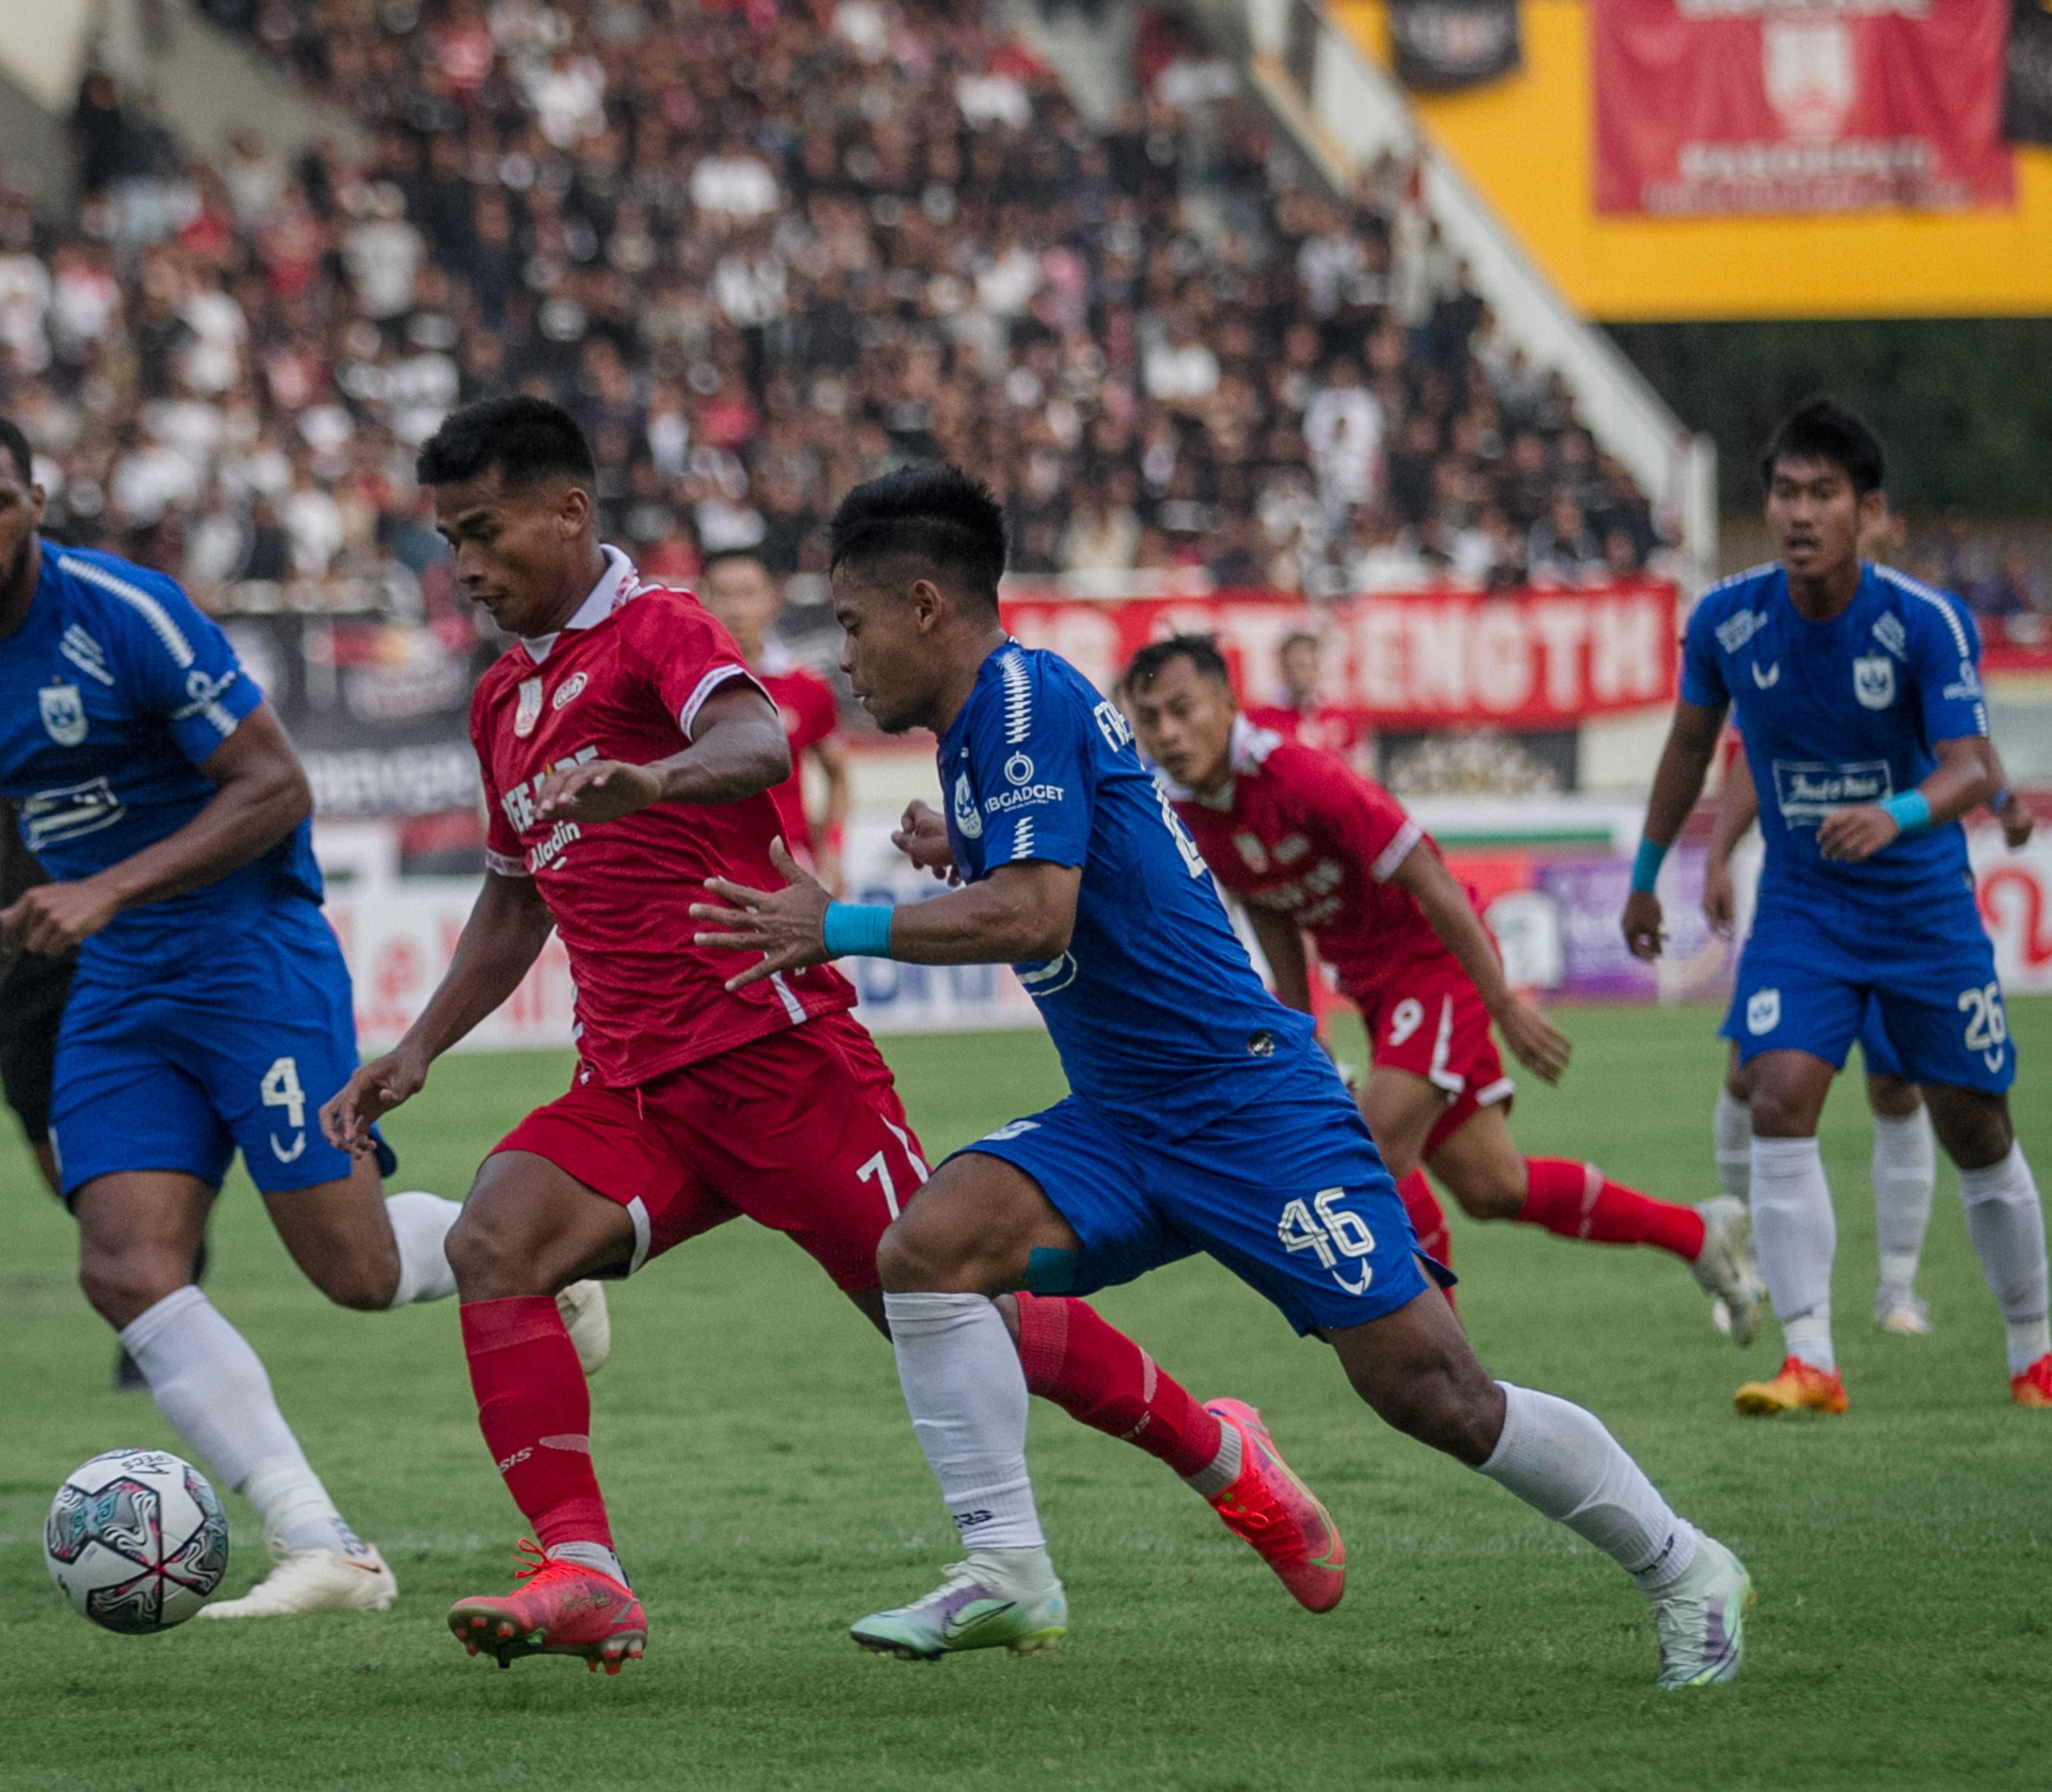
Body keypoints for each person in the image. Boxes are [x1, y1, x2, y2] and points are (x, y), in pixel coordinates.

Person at [323, 397, 1339, 1676]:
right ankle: (581, 1567)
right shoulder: (501, 702)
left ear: (568, 512)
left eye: (483, 533)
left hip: (777, 1055)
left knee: (957, 1303)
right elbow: (517, 895)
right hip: (633, 1082)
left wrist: (657, 778)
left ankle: (1223, 1452)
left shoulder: (658, 629)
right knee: (497, 1237)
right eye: (450, 541)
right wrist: (417, 1048)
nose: (464, 567)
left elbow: (750, 739)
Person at [694, 465, 1750, 1689]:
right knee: (926, 1249)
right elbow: (1063, 880)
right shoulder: (987, 733)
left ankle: (1687, 1565)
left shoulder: (1022, 700)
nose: (845, 656)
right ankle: (1006, 1570)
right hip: (1129, 1118)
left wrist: (845, 925)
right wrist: (960, 845)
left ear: (925, 604)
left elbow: (1038, 916)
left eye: (854, 623)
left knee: (1439, 1395)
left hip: (1250, 1109)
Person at [0, 408, 576, 1621]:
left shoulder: (127, 615)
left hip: (249, 960)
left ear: (35, 503)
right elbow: (18, 812)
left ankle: (528, 1245)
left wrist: (107, 886)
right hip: (121, 990)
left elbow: (277, 785)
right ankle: (322, 1543)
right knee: (123, 1264)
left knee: (357, 1273)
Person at [1622, 399, 2052, 1415]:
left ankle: (2033, 1352)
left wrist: (1897, 811)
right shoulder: (1729, 620)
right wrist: (1653, 870)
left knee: (1975, 1128)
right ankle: (1811, 1357)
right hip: (1807, 907)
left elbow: (1969, 766)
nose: (1799, 511)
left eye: (1823, 492)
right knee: (1777, 1090)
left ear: (1867, 510)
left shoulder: (1924, 621)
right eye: (1785, 490)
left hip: (1923, 913)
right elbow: (1696, 749)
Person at [1120, 634, 1762, 1338]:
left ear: (1228, 702)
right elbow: (1271, 911)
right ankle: (1698, 1237)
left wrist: (1503, 1004)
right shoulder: (1188, 810)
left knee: (1369, 1145)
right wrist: (1302, 1039)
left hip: (1433, 961)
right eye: (1149, 719)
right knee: (1493, 1187)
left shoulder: (1300, 774)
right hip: (1376, 991)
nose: (1169, 734)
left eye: (1183, 710)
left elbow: (1428, 874)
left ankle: (1442, 1364)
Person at [1703, 738, 2038, 1338]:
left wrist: (2005, 796)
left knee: (1896, 1086)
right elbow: (1753, 748)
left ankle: (1897, 1291)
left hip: (1907, 908)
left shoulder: (1917, 648)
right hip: (1804, 903)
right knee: (1751, 1078)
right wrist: (1717, 856)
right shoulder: (1767, 653)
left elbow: (1968, 734)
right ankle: (1749, 1261)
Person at [0, 722, 197, 1393]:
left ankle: (159, 1297)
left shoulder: (105, 694)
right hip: (16, 943)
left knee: (145, 1128)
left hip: (115, 925)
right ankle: (147, 1261)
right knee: (44, 1137)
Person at [698, 547, 850, 894]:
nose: (736, 608)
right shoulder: (681, 687)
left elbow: (838, 775)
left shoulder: (806, 687)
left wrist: (833, 849)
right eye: (724, 594)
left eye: (748, 594)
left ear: (772, 599)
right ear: (703, 600)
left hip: (788, 867)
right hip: (707, 867)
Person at [1245, 628, 1366, 772]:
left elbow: (1359, 774)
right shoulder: (1259, 719)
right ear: (1282, 667)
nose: (1301, 675)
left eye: (1306, 665)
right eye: (1294, 666)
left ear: (1318, 666)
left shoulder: (1341, 717)